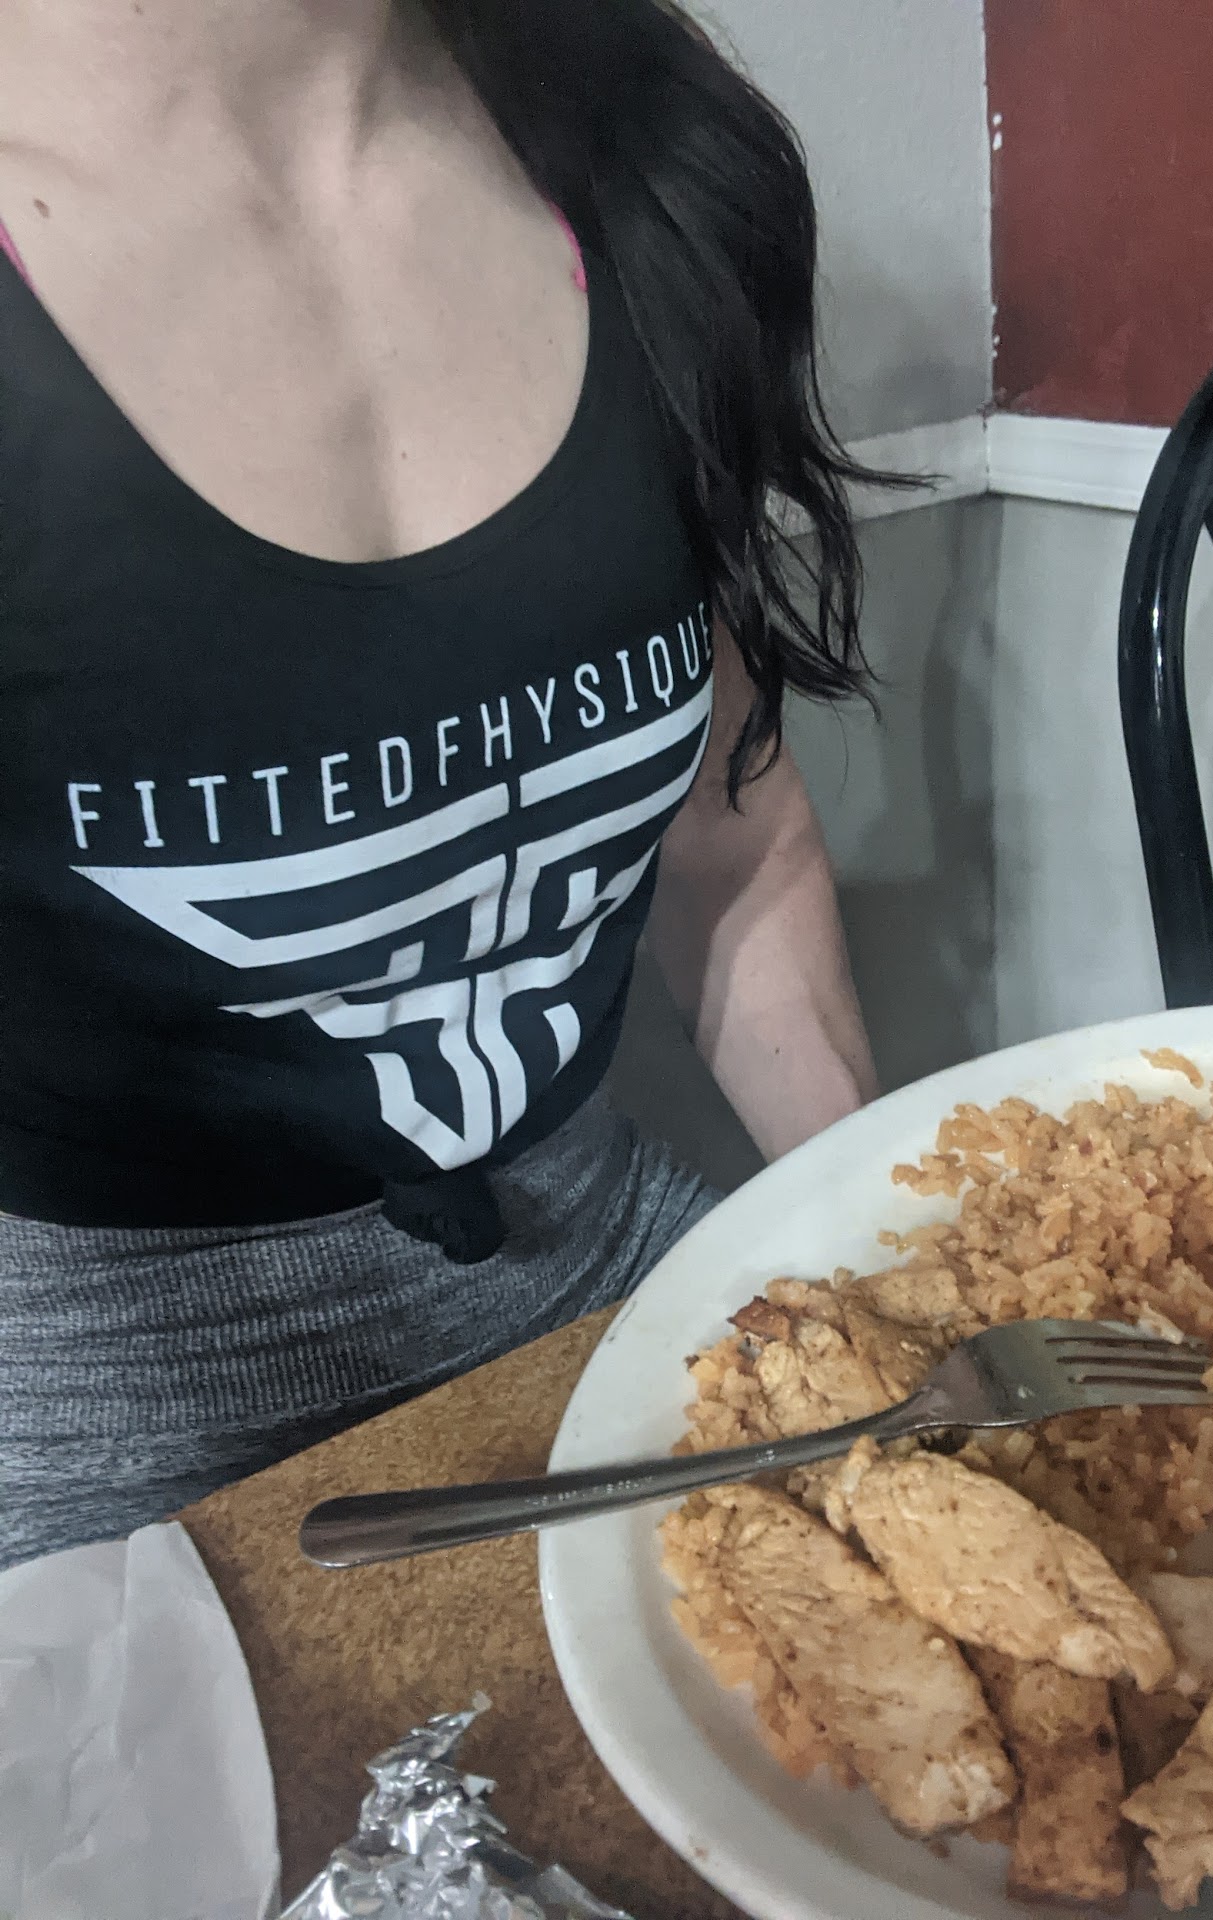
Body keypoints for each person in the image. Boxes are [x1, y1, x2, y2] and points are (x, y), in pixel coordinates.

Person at [0, 0, 892, 1569]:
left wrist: (886, 1258)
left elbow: (737, 843)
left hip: (601, 1274)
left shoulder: (634, 145)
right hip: (108, 1437)